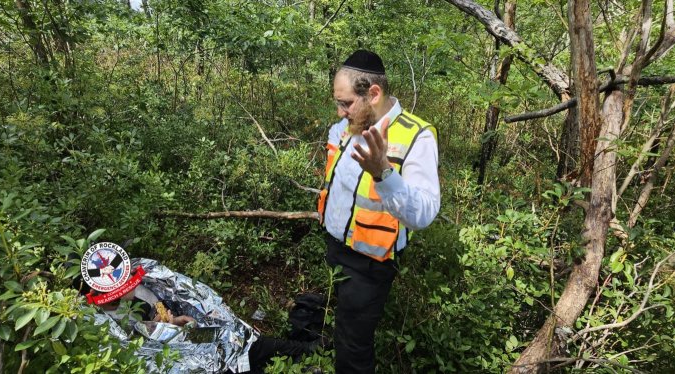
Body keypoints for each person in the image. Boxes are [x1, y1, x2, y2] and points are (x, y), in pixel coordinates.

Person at [317, 50, 440, 373]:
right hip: (335, 247)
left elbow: (425, 213)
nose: (340, 111)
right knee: (340, 323)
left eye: (346, 103)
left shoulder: (417, 136)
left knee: (354, 345)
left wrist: (383, 173)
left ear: (373, 93)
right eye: (338, 102)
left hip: (371, 263)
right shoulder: (344, 127)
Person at [73, 257, 318, 374]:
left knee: (257, 345)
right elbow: (140, 351)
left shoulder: (138, 282)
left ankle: (314, 351)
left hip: (195, 333)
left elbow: (168, 300)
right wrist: (159, 330)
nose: (129, 285)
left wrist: (175, 321)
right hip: (180, 356)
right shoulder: (104, 322)